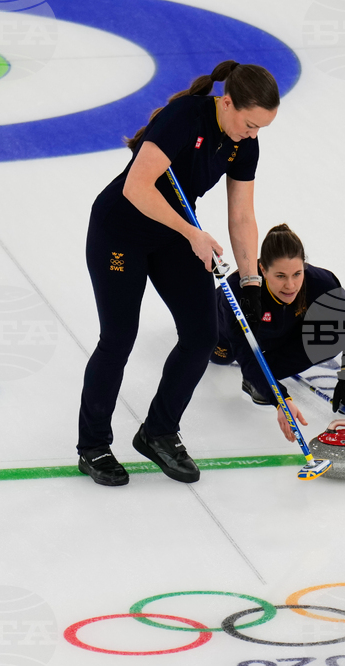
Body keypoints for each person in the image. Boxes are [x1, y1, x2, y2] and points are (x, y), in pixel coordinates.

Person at [76, 60, 280, 486]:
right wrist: (191, 232)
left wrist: (251, 282)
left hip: (174, 236)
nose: (253, 133)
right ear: (227, 103)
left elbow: (241, 216)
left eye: (262, 127)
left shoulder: (244, 143)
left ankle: (159, 432)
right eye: (250, 123)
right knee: (118, 338)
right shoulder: (184, 117)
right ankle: (93, 446)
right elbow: (136, 188)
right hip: (122, 231)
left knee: (201, 335)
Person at [211, 224, 345, 442]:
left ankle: (262, 378)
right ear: (262, 270)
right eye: (281, 276)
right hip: (222, 333)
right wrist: (281, 399)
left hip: (283, 330)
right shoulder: (238, 294)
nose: (291, 285)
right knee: (221, 357)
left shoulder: (320, 282)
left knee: (332, 336)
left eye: (297, 273)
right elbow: (245, 355)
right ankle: (258, 379)